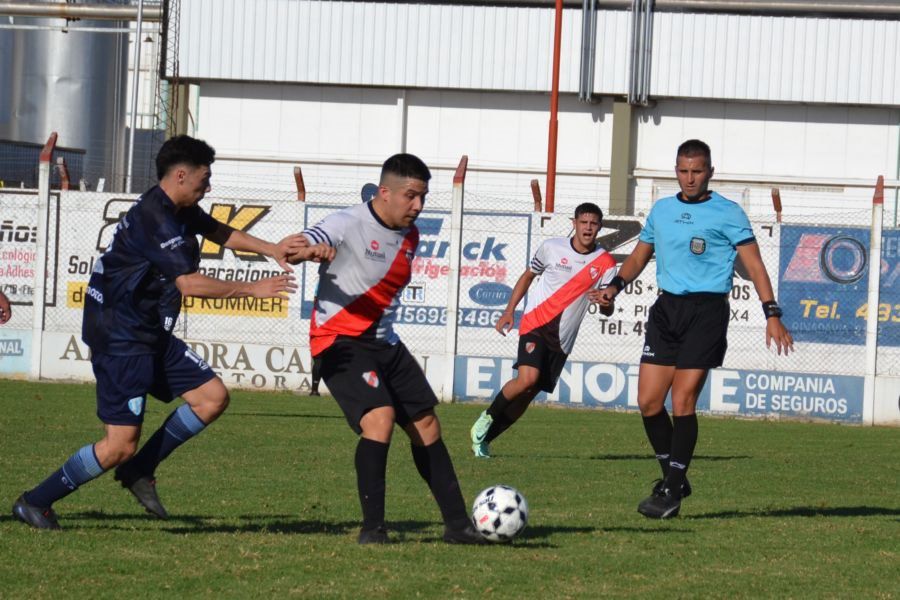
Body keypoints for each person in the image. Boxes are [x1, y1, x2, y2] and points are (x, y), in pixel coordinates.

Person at [12, 135, 330, 530]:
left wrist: (273, 249)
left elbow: (217, 230)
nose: (208, 187)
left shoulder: (179, 207)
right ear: (181, 175)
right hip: (120, 337)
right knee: (118, 446)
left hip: (145, 331)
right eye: (204, 179)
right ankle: (36, 501)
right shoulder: (156, 217)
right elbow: (188, 284)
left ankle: (140, 470)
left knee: (212, 398)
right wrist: (253, 287)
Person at [598, 139, 794, 519]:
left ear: (710, 172)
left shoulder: (729, 213)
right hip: (666, 310)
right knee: (649, 403)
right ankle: (675, 475)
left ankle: (670, 492)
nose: (690, 178)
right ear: (676, 171)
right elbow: (640, 256)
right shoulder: (662, 210)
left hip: (706, 311)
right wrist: (614, 287)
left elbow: (754, 267)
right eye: (684, 171)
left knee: (683, 400)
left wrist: (771, 312)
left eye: (697, 171)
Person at [298, 153, 486, 544]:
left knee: (427, 424)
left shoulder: (410, 235)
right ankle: (373, 530)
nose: (418, 206)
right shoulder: (346, 222)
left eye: (423, 197)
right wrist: (307, 249)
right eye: (411, 196)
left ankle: (457, 527)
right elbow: (310, 240)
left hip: (385, 343)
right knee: (380, 417)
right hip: (339, 341)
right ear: (385, 192)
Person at [470, 203, 617, 458]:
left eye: (593, 224)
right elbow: (528, 276)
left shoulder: (605, 263)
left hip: (563, 337)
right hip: (535, 322)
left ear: (600, 227)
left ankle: (485, 440)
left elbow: (607, 307)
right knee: (527, 378)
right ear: (574, 223)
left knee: (529, 394)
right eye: (584, 222)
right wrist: (509, 311)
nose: (588, 228)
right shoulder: (551, 247)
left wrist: (606, 302)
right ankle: (487, 417)